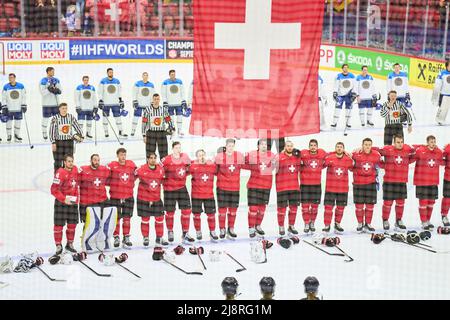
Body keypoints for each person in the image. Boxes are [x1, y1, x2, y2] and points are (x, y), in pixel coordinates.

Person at [79, 154, 116, 252]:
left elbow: (113, 174)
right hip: (88, 202)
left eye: (98, 160)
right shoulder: (83, 170)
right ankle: (86, 242)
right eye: (95, 160)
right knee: (89, 223)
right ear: (90, 160)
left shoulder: (104, 169)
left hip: (102, 200)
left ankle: (101, 241)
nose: (96, 162)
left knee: (103, 222)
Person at [376, 135, 415, 231]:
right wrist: (383, 164)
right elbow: (375, 151)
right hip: (389, 181)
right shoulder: (387, 149)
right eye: (398, 142)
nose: (400, 144)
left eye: (401, 142)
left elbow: (417, 150)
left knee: (400, 203)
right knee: (387, 203)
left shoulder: (407, 149)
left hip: (401, 181)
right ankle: (385, 220)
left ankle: (398, 220)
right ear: (394, 142)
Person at [162, 141, 193, 243]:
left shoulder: (184, 157)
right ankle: (170, 231)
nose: (178, 150)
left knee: (186, 210)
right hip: (169, 190)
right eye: (176, 148)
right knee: (170, 212)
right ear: (172, 149)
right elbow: (159, 171)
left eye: (180, 148)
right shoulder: (166, 160)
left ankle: (185, 233)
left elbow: (190, 168)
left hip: (181, 188)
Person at [135, 152, 168, 247]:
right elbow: (132, 178)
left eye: (154, 158)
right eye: (151, 158)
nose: (153, 159)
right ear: (147, 159)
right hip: (143, 198)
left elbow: (162, 181)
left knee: (160, 218)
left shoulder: (160, 169)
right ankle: (145, 237)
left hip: (156, 198)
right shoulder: (141, 169)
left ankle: (159, 237)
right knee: (145, 219)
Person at [244, 139, 275, 238]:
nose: (264, 146)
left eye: (265, 144)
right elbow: (243, 163)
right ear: (258, 146)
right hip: (254, 185)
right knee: (253, 208)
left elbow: (277, 165)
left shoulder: (272, 155)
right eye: (261, 144)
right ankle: (251, 228)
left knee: (262, 209)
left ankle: (258, 226)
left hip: (266, 185)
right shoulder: (252, 154)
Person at [215, 138, 244, 239]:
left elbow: (246, 165)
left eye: (232, 146)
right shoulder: (219, 157)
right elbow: (214, 170)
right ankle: (222, 229)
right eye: (229, 146)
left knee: (233, 211)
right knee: (222, 211)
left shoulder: (239, 156)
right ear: (226, 146)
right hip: (222, 187)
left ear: (234, 146)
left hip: (235, 188)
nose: (230, 148)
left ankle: (231, 228)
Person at [50, 154, 79, 255]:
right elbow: (53, 189)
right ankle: (58, 246)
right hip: (61, 203)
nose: (71, 163)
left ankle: (69, 244)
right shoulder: (60, 172)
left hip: (73, 202)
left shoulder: (75, 169)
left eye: (72, 161)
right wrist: (63, 199)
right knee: (58, 225)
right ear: (65, 162)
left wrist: (76, 199)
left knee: (72, 224)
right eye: (69, 161)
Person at [413, 136, 444, 230]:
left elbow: (443, 162)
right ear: (427, 142)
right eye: (431, 142)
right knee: (423, 202)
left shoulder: (438, 152)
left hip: (433, 181)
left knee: (431, 202)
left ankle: (428, 220)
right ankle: (423, 222)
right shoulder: (420, 151)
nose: (433, 143)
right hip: (422, 181)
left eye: (434, 141)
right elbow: (412, 150)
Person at [108, 148, 137, 248]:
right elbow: (106, 177)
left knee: (127, 218)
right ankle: (116, 237)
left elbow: (136, 175)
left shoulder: (131, 164)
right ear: (117, 155)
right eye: (121, 155)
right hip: (115, 197)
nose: (123, 157)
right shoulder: (112, 165)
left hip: (128, 196)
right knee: (116, 218)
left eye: (124, 154)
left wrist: (130, 184)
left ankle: (126, 237)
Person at [322, 142, 354, 233]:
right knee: (328, 208)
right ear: (335, 148)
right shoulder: (330, 158)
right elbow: (322, 165)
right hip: (330, 188)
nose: (339, 148)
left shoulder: (348, 159)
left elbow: (352, 168)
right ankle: (327, 225)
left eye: (341, 147)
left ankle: (337, 224)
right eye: (337, 147)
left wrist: (351, 156)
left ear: (343, 149)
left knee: (340, 208)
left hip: (342, 188)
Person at [352, 138, 382, 232]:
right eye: (365, 144)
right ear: (362, 145)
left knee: (370, 206)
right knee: (359, 206)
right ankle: (360, 224)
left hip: (371, 183)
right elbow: (348, 161)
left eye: (369, 144)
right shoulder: (356, 154)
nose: (367, 146)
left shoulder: (376, 155)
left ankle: (368, 224)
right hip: (358, 184)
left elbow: (385, 152)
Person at [190, 149, 219, 241]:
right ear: (196, 157)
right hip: (196, 195)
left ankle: (212, 231)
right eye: (199, 155)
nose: (201, 157)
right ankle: (198, 231)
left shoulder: (211, 166)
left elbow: (219, 171)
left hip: (209, 195)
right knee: (196, 215)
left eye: (203, 155)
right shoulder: (193, 166)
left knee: (211, 215)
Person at [300, 139, 327, 233]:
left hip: (316, 185)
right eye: (311, 145)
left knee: (314, 207)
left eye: (314, 145)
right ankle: (306, 223)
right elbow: (293, 154)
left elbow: (332, 154)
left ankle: (312, 222)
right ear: (309, 146)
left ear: (317, 146)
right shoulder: (303, 153)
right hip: (305, 185)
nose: (313, 147)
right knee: (305, 207)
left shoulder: (322, 153)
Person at [275, 140, 301, 236]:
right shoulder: (279, 157)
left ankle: (291, 226)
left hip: (294, 187)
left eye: (291, 146)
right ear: (284, 147)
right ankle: (281, 226)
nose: (289, 147)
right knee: (281, 209)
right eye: (288, 146)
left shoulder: (297, 157)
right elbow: (270, 166)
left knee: (293, 208)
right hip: (282, 187)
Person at [49, 103, 84, 172]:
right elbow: (51, 131)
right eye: (63, 108)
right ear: (59, 109)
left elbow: (78, 127)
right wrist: (53, 142)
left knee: (69, 161)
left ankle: (69, 178)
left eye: (66, 108)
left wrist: (81, 136)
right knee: (58, 162)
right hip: (58, 142)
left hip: (69, 142)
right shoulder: (55, 118)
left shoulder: (71, 117)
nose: (64, 110)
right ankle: (58, 178)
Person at [142, 93, 175, 159]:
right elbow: (144, 123)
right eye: (155, 99)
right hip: (151, 132)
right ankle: (149, 167)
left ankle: (164, 167)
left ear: (159, 100)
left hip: (161, 132)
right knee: (150, 152)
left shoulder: (163, 110)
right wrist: (144, 135)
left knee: (164, 152)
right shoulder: (147, 110)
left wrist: (172, 128)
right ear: (152, 100)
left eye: (158, 99)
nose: (156, 101)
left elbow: (168, 119)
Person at [98, 68, 127, 138]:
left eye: (112, 72)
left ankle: (121, 131)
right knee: (105, 118)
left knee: (118, 118)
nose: (111, 73)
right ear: (107, 73)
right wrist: (100, 100)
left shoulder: (117, 81)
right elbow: (100, 91)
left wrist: (120, 100)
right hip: (106, 103)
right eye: (109, 72)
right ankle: (106, 132)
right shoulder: (103, 81)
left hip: (115, 103)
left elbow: (119, 91)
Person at [1, 73, 27, 143]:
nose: (10, 79)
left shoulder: (21, 86)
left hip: (18, 108)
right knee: (8, 122)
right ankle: (9, 136)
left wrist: (24, 105)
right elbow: (3, 98)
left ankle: (16, 135)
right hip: (9, 108)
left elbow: (23, 96)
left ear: (15, 78)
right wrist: (4, 107)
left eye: (12, 77)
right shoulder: (6, 87)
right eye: (9, 78)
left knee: (18, 122)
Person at [161, 69, 186, 137]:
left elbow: (182, 91)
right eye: (172, 74)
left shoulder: (179, 81)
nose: (173, 75)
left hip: (178, 103)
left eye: (174, 74)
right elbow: (163, 93)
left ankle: (179, 130)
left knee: (180, 116)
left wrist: (183, 100)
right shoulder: (165, 82)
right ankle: (172, 128)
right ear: (169, 75)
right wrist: (165, 101)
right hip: (170, 103)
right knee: (171, 117)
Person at [331, 64, 356, 130]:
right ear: (342, 68)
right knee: (337, 109)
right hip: (340, 95)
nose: (346, 69)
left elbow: (354, 85)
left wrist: (354, 93)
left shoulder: (352, 76)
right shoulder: (338, 76)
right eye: (344, 68)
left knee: (348, 110)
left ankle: (348, 123)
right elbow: (335, 85)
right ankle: (334, 123)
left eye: (347, 67)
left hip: (349, 95)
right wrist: (335, 92)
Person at [40, 67, 62, 140]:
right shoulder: (43, 81)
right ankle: (44, 132)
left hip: (56, 103)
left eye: (53, 71)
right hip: (46, 103)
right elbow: (42, 92)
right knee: (45, 119)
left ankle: (56, 132)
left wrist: (57, 90)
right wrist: (49, 90)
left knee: (57, 119)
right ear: (48, 72)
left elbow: (60, 90)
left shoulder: (56, 80)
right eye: (52, 71)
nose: (53, 72)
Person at [131, 72, 155, 137]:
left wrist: (152, 102)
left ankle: (145, 131)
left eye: (146, 75)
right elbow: (134, 92)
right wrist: (134, 101)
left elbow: (153, 95)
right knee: (135, 117)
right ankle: (133, 130)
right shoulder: (137, 84)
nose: (145, 76)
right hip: (139, 104)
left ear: (148, 76)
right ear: (142, 76)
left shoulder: (151, 85)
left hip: (147, 105)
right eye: (144, 75)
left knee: (146, 119)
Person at [432, 60, 450, 125]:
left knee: (446, 108)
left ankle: (442, 119)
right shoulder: (442, 73)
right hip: (443, 94)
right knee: (441, 107)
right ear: (447, 66)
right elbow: (438, 83)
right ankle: (439, 119)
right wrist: (435, 94)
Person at [442, 143, 450, 226]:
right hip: (448, 177)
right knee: (447, 198)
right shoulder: (448, 147)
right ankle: (444, 215)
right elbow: (441, 160)